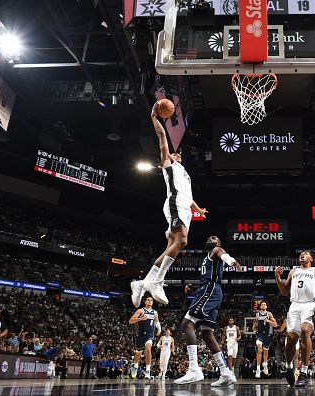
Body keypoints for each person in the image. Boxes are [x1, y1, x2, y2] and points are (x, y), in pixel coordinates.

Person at [131, 103, 207, 307]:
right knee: (182, 241)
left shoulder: (185, 174)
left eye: (178, 154)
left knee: (172, 246)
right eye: (175, 154)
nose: (177, 154)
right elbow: (162, 138)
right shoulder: (169, 165)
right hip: (174, 204)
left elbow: (189, 197)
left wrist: (198, 209)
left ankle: (142, 283)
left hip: (184, 207)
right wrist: (155, 118)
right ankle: (156, 281)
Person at [174, 235, 240, 386]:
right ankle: (225, 373)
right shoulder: (207, 257)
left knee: (187, 323)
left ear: (219, 243)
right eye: (209, 237)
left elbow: (224, 255)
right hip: (208, 291)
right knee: (207, 333)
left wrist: (232, 262)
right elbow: (210, 278)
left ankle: (193, 369)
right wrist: (195, 287)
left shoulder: (216, 250)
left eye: (214, 238)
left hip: (209, 292)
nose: (210, 238)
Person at [275, 251, 315, 388]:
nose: (303, 255)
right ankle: (289, 367)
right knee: (290, 341)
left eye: (306, 253)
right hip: (294, 305)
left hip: (309, 304)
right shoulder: (293, 271)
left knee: (305, 330)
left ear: (311, 258)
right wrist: (278, 278)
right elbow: (284, 291)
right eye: (301, 254)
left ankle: (304, 373)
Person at [129, 296, 161, 379]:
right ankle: (135, 366)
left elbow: (157, 322)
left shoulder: (155, 312)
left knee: (148, 348)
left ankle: (148, 371)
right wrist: (140, 318)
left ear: (152, 303)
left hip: (149, 335)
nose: (150, 301)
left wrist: (159, 330)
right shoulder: (140, 310)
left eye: (151, 300)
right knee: (138, 354)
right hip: (140, 335)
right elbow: (131, 321)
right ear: (145, 302)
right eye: (148, 300)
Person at [254, 302, 277, 378]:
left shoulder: (269, 314)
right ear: (260, 307)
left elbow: (275, 324)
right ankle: (258, 369)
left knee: (266, 352)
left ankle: (265, 365)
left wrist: (268, 321)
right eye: (262, 304)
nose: (263, 305)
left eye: (264, 304)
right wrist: (254, 327)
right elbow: (256, 324)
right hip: (259, 334)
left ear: (266, 306)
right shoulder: (257, 314)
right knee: (259, 349)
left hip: (267, 334)